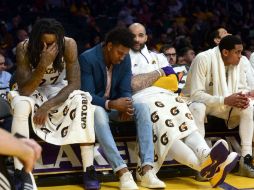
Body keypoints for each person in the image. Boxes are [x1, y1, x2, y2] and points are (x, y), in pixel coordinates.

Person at [128, 23, 238, 188]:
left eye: (141, 35)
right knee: (167, 129)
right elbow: (133, 85)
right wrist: (159, 74)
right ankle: (208, 166)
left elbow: (172, 82)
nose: (137, 39)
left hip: (167, 96)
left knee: (186, 122)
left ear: (146, 37)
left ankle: (206, 156)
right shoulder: (123, 57)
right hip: (142, 99)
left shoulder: (158, 56)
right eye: (133, 36)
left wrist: (146, 79)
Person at [9, 18, 98, 190]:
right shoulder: (24, 48)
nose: (48, 47)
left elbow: (74, 83)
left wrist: (47, 106)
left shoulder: (69, 44)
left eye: (52, 43)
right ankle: (21, 171)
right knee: (21, 104)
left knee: (83, 99)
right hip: (31, 89)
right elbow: (24, 91)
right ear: (35, 39)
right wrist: (42, 65)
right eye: (43, 43)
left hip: (56, 89)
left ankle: (89, 168)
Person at [79, 27, 165, 189]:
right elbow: (87, 95)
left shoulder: (124, 58)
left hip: (115, 106)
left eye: (125, 54)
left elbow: (126, 88)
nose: (123, 57)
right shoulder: (87, 58)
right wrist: (112, 104)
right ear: (109, 46)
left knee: (142, 107)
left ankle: (146, 170)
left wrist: (126, 104)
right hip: (96, 107)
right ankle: (122, 171)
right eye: (120, 53)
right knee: (97, 112)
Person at [183, 35, 254, 178]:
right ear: (225, 52)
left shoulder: (240, 63)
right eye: (237, 52)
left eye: (241, 52)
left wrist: (244, 95)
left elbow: (242, 88)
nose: (240, 56)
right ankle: (202, 159)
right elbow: (195, 94)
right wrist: (224, 100)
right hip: (197, 102)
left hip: (222, 103)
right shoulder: (203, 58)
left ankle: (246, 158)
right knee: (198, 107)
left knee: (248, 105)